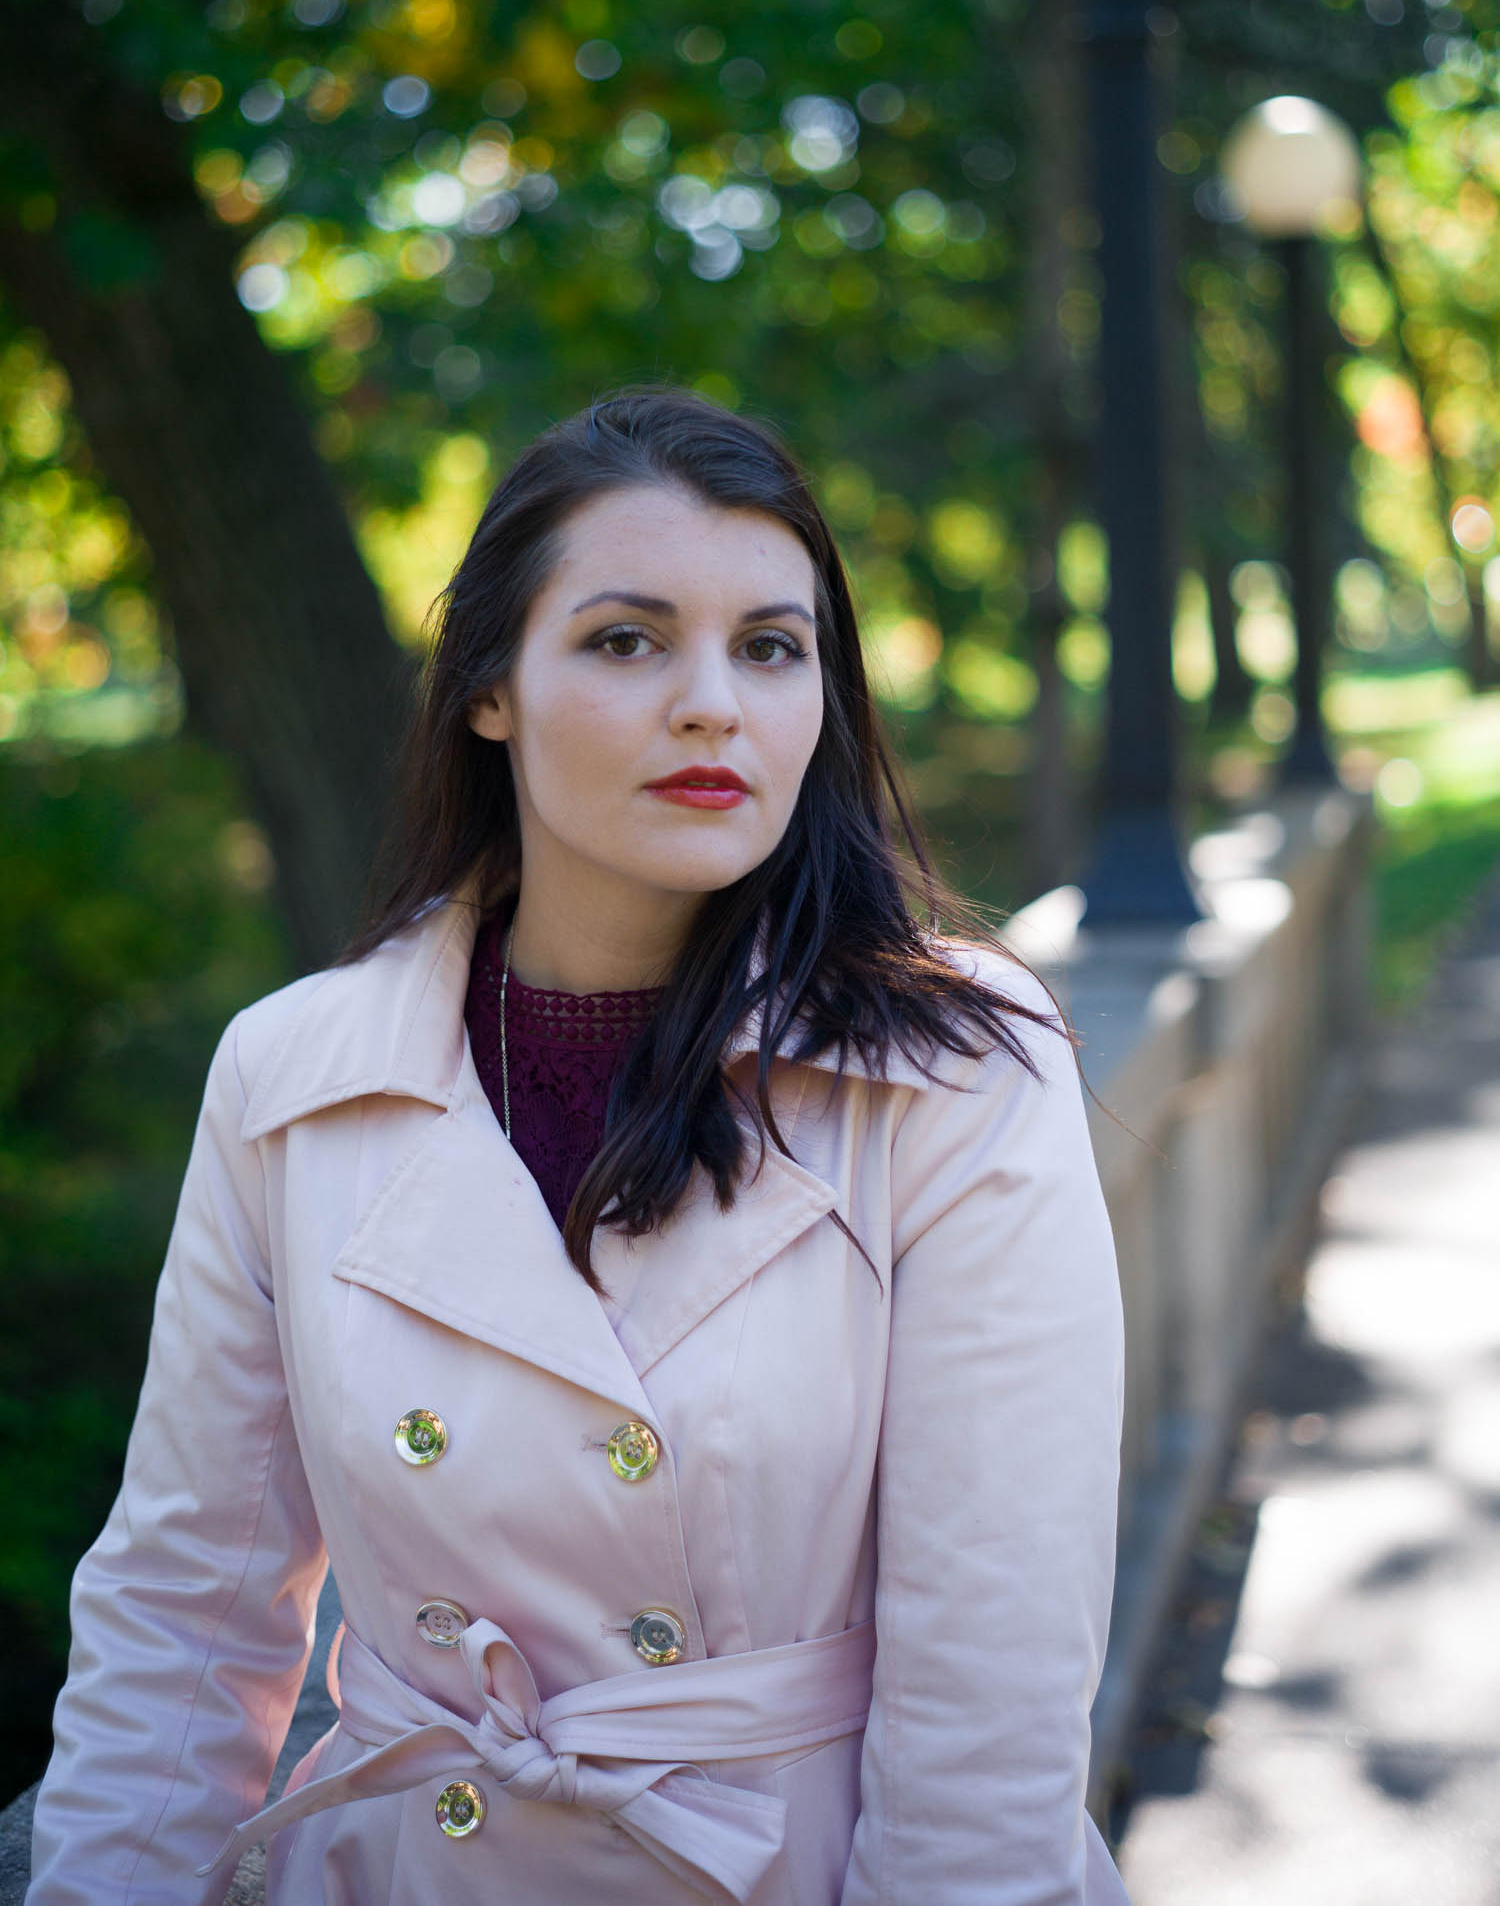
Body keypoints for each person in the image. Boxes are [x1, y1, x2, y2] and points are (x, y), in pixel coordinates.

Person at [27, 387, 1129, 1905]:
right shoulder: (292, 1078)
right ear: (491, 686)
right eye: (627, 639)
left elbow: (997, 1671)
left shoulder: (947, 1073)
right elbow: (186, 1611)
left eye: (771, 646)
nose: (712, 704)